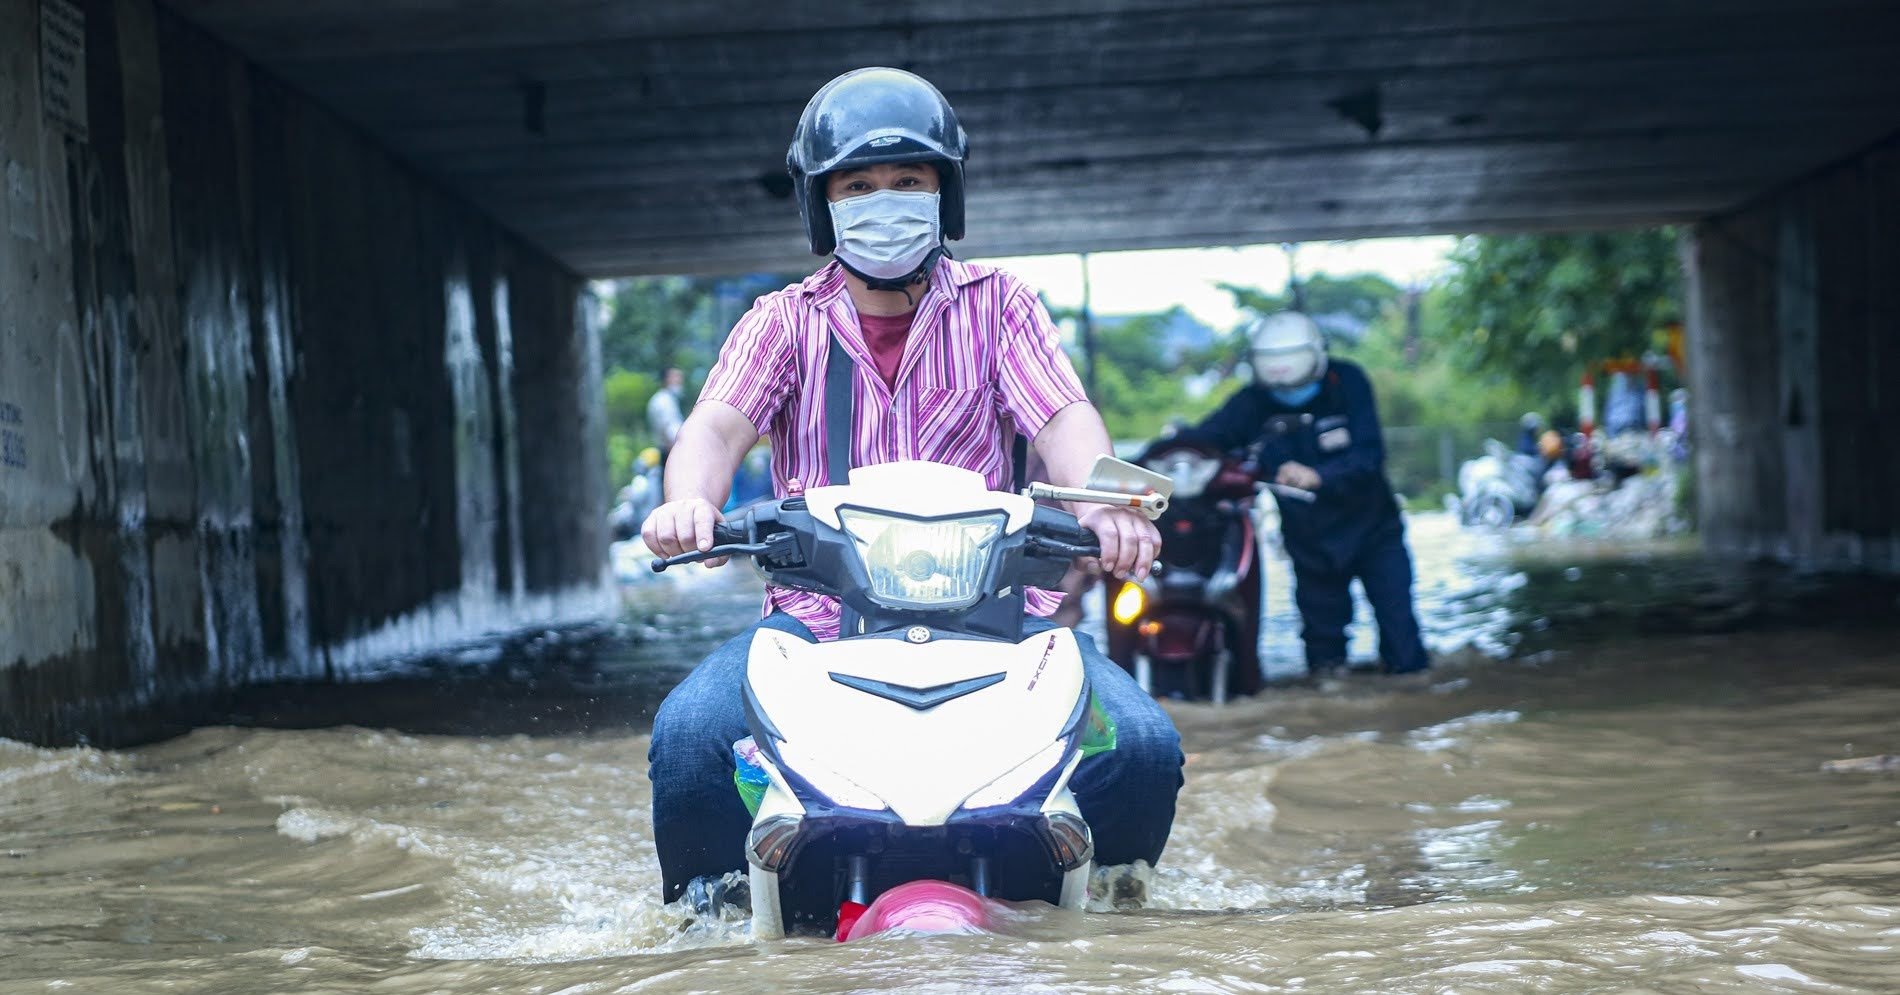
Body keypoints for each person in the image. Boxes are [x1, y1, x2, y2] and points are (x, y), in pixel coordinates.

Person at [640, 67, 1183, 909]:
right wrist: (690, 501)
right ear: (823, 204)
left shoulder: (1001, 306)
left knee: (1145, 746)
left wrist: (1106, 502)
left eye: (907, 181)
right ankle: (712, 921)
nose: (883, 200)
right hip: (813, 630)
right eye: (858, 184)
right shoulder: (782, 322)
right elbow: (712, 428)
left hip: (1002, 625)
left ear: (944, 194)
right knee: (686, 738)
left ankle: (1110, 899)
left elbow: (1066, 422)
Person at [1190, 312, 1429, 676]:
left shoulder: (1348, 382)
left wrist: (1318, 476)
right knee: (1323, 653)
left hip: (1374, 532)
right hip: (1311, 544)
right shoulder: (1250, 404)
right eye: (1279, 390)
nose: (1288, 395)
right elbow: (1202, 440)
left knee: (1402, 640)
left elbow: (1370, 455)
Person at [647, 366, 686, 463]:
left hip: (671, 451)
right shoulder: (663, 401)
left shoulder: (666, 399)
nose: (679, 380)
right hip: (671, 452)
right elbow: (670, 430)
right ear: (666, 379)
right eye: (676, 377)